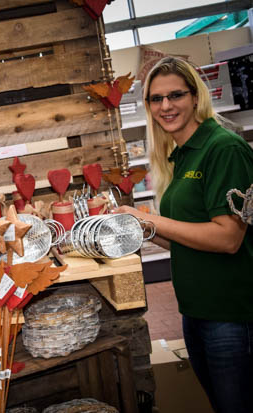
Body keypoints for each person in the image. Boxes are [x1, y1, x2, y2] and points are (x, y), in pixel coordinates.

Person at [116, 57, 253, 413]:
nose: (165, 106)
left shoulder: (223, 148)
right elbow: (188, 237)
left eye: (175, 95)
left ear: (195, 97)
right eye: (156, 99)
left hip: (232, 314)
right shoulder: (181, 156)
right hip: (196, 311)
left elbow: (228, 238)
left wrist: (150, 219)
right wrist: (139, 228)